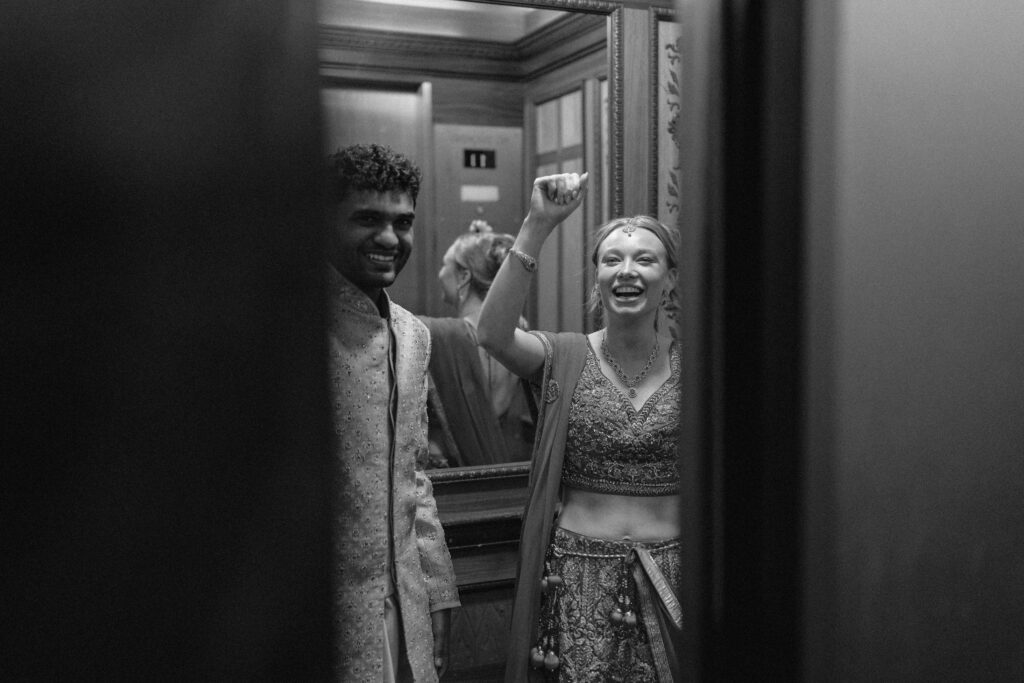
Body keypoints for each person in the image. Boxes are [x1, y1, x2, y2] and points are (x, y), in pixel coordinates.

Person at [477, 173, 683, 682]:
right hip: (576, 576)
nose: (626, 270)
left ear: (671, 279)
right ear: (598, 279)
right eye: (612, 260)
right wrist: (537, 224)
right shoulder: (563, 356)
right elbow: (492, 334)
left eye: (644, 259)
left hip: (675, 579)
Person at [325, 143, 460, 682]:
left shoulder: (413, 333)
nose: (388, 238)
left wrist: (438, 585)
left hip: (405, 602)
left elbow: (413, 473)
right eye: (367, 219)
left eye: (402, 222)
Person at [419, 220, 537, 467]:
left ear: (463, 276)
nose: (440, 273)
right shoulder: (519, 329)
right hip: (500, 465)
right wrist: (484, 245)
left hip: (452, 473)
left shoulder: (438, 334)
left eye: (445, 264)